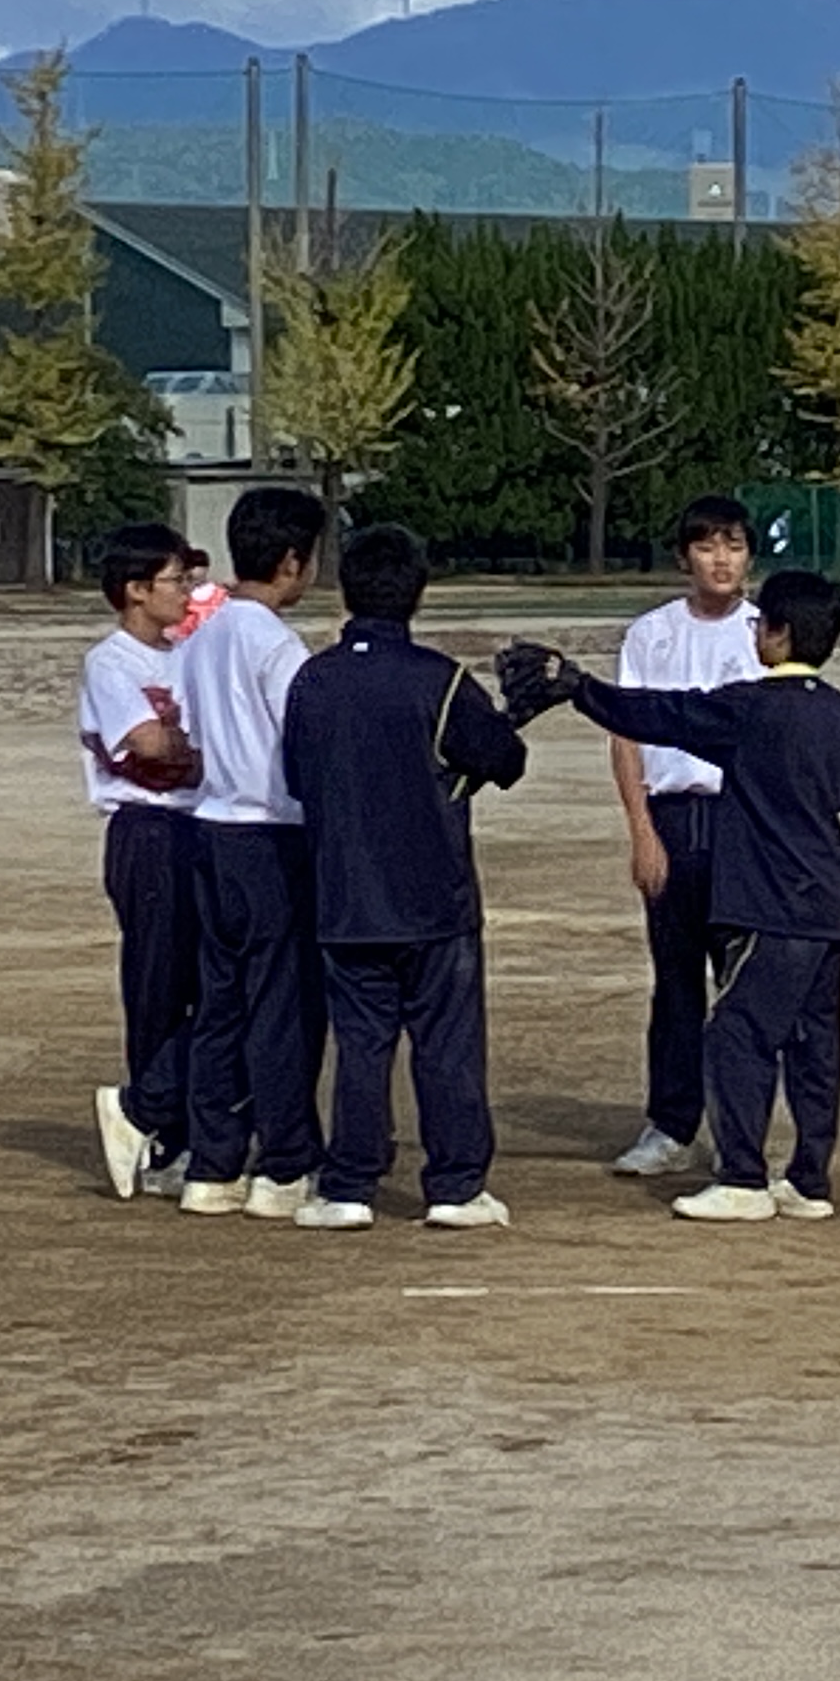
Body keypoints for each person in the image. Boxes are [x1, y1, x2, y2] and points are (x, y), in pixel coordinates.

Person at [502, 571, 840, 1224]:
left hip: (769, 901)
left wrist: (578, 688)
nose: (755, 633)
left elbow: (661, 715)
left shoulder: (750, 708)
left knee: (737, 1033)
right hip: (829, 898)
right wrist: (837, 795)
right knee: (814, 1040)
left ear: (779, 635)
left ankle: (743, 1178)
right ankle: (809, 1181)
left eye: (762, 625)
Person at [279, 525, 528, 1232]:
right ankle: (455, 1185)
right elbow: (504, 761)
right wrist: (510, 720)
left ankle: (349, 1184)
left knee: (362, 1045)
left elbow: (297, 778)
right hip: (434, 899)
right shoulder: (438, 679)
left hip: (346, 897)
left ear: (346, 591)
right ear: (418, 593)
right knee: (446, 1045)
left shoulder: (314, 680)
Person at [169, 485, 328, 1220]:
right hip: (272, 834)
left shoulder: (204, 633)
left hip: (212, 826)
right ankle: (285, 1163)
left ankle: (214, 1162)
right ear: (293, 561)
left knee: (221, 1003)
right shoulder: (276, 644)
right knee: (282, 1005)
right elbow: (306, 741)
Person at [604, 495, 763, 1179]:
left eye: (733, 545)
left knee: (741, 983)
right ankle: (670, 1125)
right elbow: (626, 733)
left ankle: (738, 1132)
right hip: (672, 816)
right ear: (683, 558)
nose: (720, 560)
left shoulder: (766, 632)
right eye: (706, 546)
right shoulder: (651, 634)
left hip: (740, 820)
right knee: (675, 982)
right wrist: (642, 829)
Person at [83, 523, 203, 1201]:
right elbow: (147, 742)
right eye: (175, 580)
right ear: (135, 590)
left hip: (201, 824)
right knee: (158, 984)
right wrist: (207, 747)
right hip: (148, 829)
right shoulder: (112, 662)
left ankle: (182, 1122)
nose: (186, 592)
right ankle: (157, 1137)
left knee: (211, 982)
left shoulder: (190, 653)